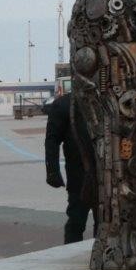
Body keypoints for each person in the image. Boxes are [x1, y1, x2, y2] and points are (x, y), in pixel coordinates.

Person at [44, 90, 97, 243]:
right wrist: (52, 171)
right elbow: (52, 140)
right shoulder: (65, 105)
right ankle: (72, 249)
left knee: (104, 221)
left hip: (103, 173)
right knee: (76, 219)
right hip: (79, 174)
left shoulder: (103, 102)